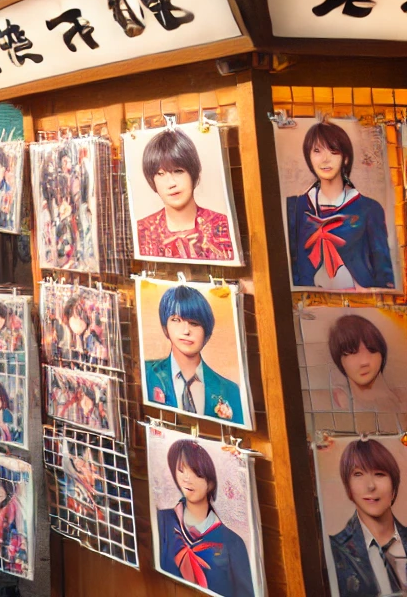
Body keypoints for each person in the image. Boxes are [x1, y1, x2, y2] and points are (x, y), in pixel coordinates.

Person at [288, 120, 395, 289]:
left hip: (359, 300)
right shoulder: (295, 207)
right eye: (317, 151)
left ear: (345, 158)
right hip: (310, 302)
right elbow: (290, 264)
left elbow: (383, 269)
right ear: (309, 157)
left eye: (333, 151)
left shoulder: (369, 209)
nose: (325, 159)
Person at [156, 439, 254, 597]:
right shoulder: (163, 521)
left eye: (196, 472)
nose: (187, 478)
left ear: (211, 482)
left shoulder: (232, 542)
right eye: (181, 469)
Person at [143, 284, 244, 425]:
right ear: (165, 327)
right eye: (176, 320)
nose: (186, 331)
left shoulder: (230, 390)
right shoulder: (146, 373)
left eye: (194, 323)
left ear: (206, 333)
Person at [135, 127, 236, 262]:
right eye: (160, 174)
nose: (171, 183)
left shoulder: (222, 225)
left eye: (178, 171)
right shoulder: (143, 230)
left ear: (193, 172)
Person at [328, 438, 407, 597]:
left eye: (379, 474)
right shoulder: (334, 550)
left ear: (393, 486)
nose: (370, 486)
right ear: (348, 488)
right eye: (358, 474)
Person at [329, 314, 407, 413]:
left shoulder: (402, 400)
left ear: (382, 353)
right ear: (339, 359)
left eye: (372, 350)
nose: (364, 362)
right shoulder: (339, 401)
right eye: (352, 352)